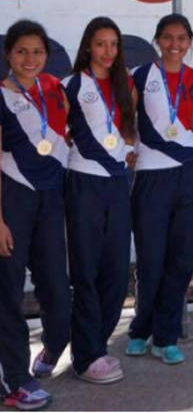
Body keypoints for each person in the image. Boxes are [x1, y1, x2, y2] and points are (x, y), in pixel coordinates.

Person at [125, 14, 193, 365]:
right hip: (151, 175)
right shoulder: (141, 77)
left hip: (189, 173)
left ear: (190, 41)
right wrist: (128, 149)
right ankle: (140, 329)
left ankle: (166, 335)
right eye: (168, 37)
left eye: (182, 38)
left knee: (181, 257)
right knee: (151, 258)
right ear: (158, 39)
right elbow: (127, 121)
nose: (175, 44)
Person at [0, 20, 70, 410]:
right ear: (9, 54)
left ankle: (49, 351)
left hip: (49, 202)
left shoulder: (54, 90)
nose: (30, 59)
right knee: (8, 292)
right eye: (22, 51)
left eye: (37, 52)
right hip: (12, 201)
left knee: (56, 289)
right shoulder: (1, 96)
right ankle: (13, 380)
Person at [63, 17, 137, 382]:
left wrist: (129, 152)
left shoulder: (125, 84)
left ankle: (97, 345)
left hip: (116, 186)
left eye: (113, 44)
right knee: (86, 271)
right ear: (87, 47)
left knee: (116, 270)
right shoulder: (71, 85)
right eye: (100, 44)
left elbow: (127, 132)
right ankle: (86, 356)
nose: (107, 52)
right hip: (83, 185)